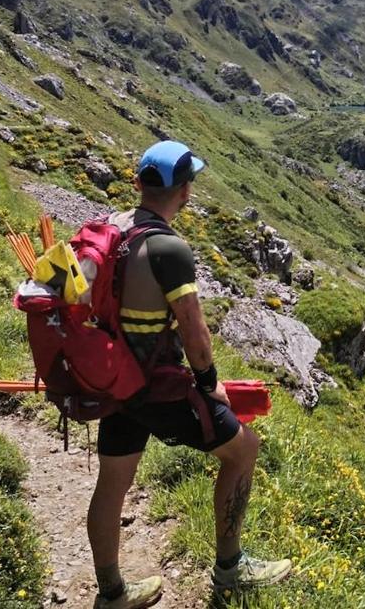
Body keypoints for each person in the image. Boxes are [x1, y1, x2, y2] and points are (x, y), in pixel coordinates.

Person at [86, 140, 292, 609]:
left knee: (113, 481)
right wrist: (208, 385)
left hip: (115, 379)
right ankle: (230, 570)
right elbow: (195, 335)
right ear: (185, 191)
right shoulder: (169, 248)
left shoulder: (113, 229)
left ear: (139, 184)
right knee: (244, 452)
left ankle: (112, 593)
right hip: (155, 385)